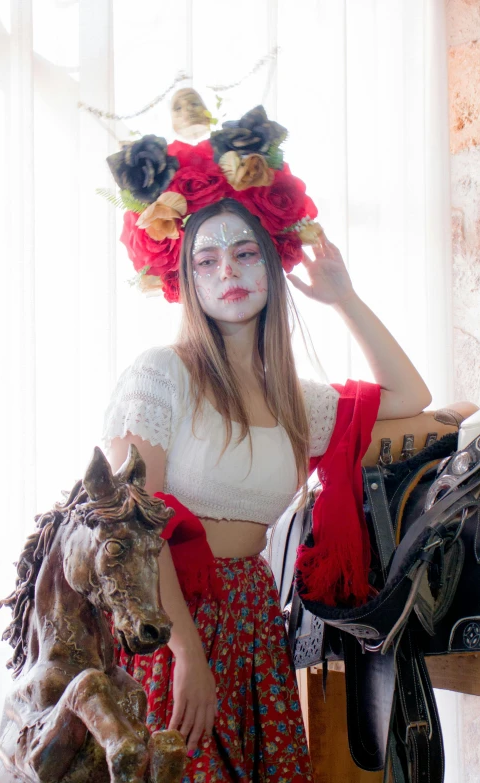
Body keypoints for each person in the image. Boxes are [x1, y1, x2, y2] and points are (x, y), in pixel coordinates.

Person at [102, 107, 431, 782]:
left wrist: (344, 297)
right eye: (207, 258)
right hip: (170, 620)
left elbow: (410, 395)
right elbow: (135, 523)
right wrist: (187, 653)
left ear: (273, 265)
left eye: (246, 252)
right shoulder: (161, 374)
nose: (228, 271)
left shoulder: (293, 399)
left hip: (252, 612)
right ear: (186, 277)